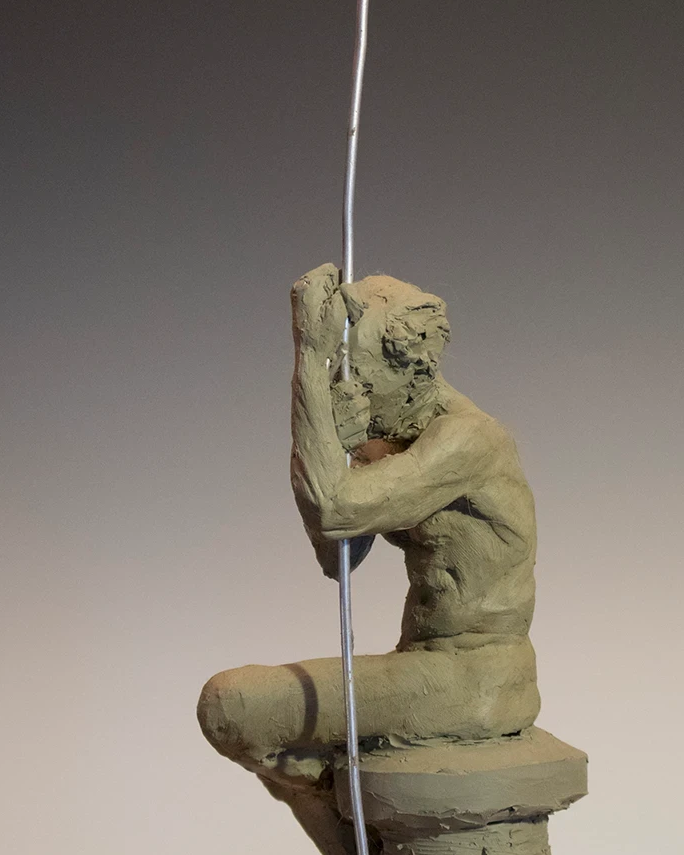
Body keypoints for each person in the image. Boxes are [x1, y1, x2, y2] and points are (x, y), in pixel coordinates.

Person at [197, 264, 540, 777]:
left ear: (412, 369)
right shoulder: (394, 436)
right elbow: (338, 558)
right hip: (427, 663)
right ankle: (344, 816)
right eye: (338, 368)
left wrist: (310, 365)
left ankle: (343, 817)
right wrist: (341, 444)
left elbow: (335, 512)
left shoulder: (469, 439)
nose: (344, 384)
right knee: (246, 715)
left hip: (478, 679)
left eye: (353, 370)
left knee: (233, 703)